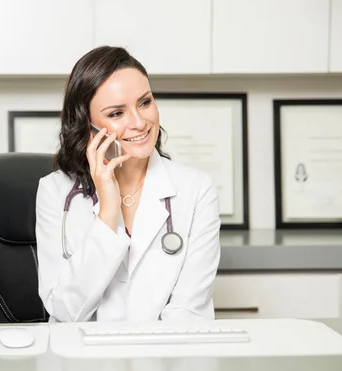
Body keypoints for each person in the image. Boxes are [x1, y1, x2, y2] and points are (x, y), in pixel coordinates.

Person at [35, 46, 221, 323]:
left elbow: (189, 312)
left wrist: (145, 363)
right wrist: (108, 212)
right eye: (116, 114)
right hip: (83, 361)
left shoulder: (196, 190)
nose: (139, 122)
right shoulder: (55, 192)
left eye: (145, 102)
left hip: (166, 359)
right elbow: (65, 311)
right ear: (87, 126)